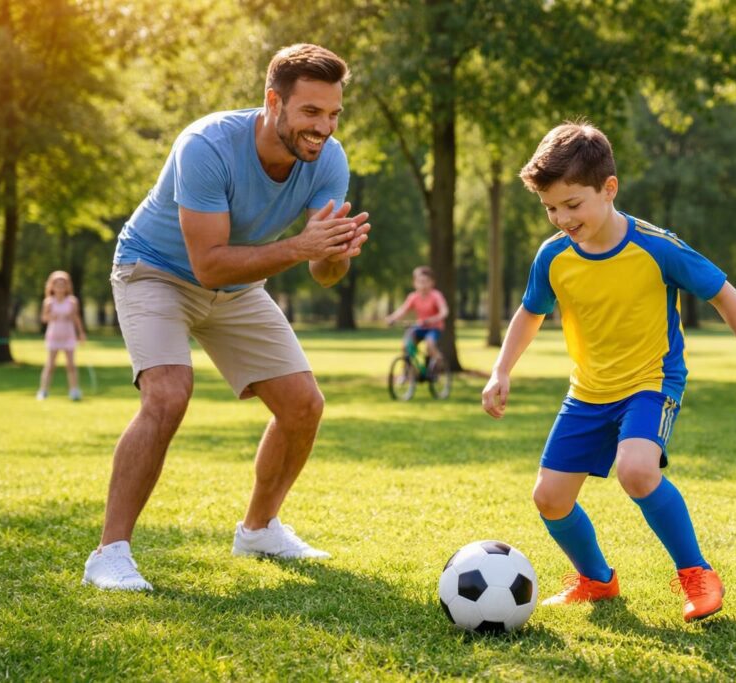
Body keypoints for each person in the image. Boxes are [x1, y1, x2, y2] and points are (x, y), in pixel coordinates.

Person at [82, 44, 371, 592]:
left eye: (333, 114)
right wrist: (303, 246)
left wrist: (333, 254)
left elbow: (321, 273)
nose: (324, 128)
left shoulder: (328, 161)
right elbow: (208, 264)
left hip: (238, 287)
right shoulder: (207, 145)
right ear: (273, 102)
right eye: (311, 112)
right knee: (167, 393)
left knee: (303, 405)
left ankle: (259, 530)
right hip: (155, 270)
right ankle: (109, 553)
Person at [481, 122, 736, 623]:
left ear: (609, 189)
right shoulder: (553, 255)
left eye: (572, 205)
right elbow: (530, 312)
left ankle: (698, 575)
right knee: (550, 499)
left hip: (651, 382)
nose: (561, 218)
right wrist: (501, 370)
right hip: (587, 391)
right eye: (551, 208)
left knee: (638, 470)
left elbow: (724, 293)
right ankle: (596, 580)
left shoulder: (656, 246)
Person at [37, 270, 86, 401]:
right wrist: (50, 316)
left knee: (71, 365)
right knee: (50, 365)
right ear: (52, 286)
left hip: (68, 334)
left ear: (67, 286)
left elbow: (77, 318)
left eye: (63, 284)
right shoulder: (49, 302)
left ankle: (74, 390)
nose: (60, 287)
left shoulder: (72, 301)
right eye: (57, 284)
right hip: (54, 335)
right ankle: (43, 391)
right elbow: (44, 318)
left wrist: (81, 333)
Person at [385, 266, 449, 363]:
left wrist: (433, 319)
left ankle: (439, 363)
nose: (423, 285)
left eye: (426, 281)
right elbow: (403, 310)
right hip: (420, 327)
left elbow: (444, 311)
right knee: (406, 346)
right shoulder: (413, 297)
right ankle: (409, 372)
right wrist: (392, 318)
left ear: (432, 282)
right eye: (420, 281)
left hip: (434, 328)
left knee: (430, 344)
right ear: (414, 283)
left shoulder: (436, 295)